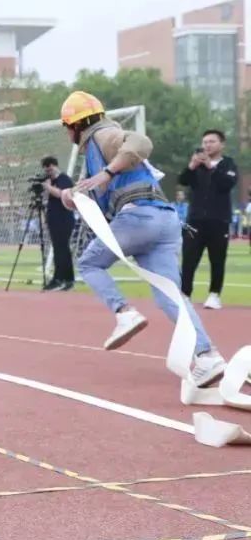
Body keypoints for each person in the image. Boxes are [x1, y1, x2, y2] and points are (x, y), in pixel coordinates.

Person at [56, 91, 226, 387]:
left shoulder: (103, 135)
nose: (67, 133)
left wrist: (106, 173)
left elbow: (141, 143)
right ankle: (207, 356)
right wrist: (74, 195)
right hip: (163, 220)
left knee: (89, 263)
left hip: (139, 218)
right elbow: (106, 194)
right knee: (170, 296)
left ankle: (124, 313)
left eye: (67, 127)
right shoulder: (99, 153)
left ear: (76, 125)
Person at [178, 130, 239, 310]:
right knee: (189, 259)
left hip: (219, 220)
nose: (207, 145)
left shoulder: (228, 164)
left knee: (217, 259)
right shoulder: (197, 165)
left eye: (212, 142)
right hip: (194, 219)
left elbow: (227, 184)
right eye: (205, 142)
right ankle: (185, 294)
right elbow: (183, 180)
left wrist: (211, 167)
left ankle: (214, 294)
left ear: (222, 144)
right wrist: (191, 166)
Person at [40, 155, 75, 291]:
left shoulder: (64, 179)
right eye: (46, 170)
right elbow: (47, 198)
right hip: (53, 218)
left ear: (55, 166)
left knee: (62, 249)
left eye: (50, 169)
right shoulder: (50, 181)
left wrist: (48, 187)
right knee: (60, 249)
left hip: (64, 218)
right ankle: (67, 279)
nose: (48, 172)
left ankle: (60, 278)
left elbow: (62, 194)